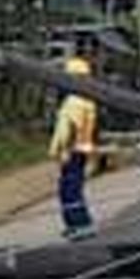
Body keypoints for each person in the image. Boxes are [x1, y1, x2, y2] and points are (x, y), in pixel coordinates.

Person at [48, 57, 98, 241]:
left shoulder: (74, 101)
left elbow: (71, 128)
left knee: (69, 189)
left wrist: (64, 150)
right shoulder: (88, 100)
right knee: (73, 187)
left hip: (73, 150)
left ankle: (79, 224)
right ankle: (78, 223)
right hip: (82, 148)